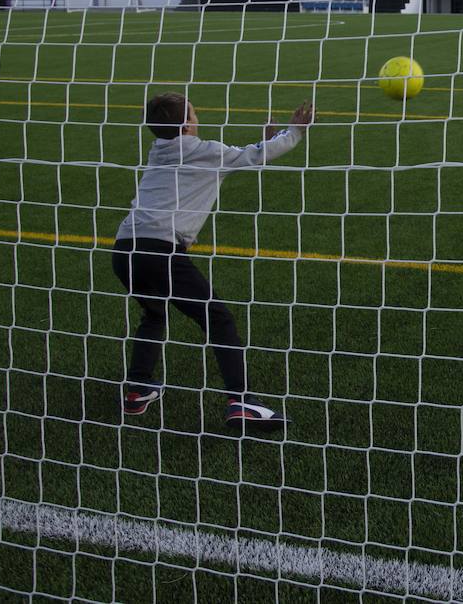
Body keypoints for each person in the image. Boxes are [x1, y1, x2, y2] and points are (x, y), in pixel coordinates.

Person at [112, 92, 314, 429]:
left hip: (124, 250)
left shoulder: (159, 151)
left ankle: (138, 388)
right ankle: (242, 401)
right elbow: (257, 157)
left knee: (153, 313)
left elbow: (241, 156)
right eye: (193, 110)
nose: (197, 113)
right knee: (218, 319)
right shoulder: (206, 150)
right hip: (161, 251)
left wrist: (263, 143)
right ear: (188, 124)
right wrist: (294, 132)